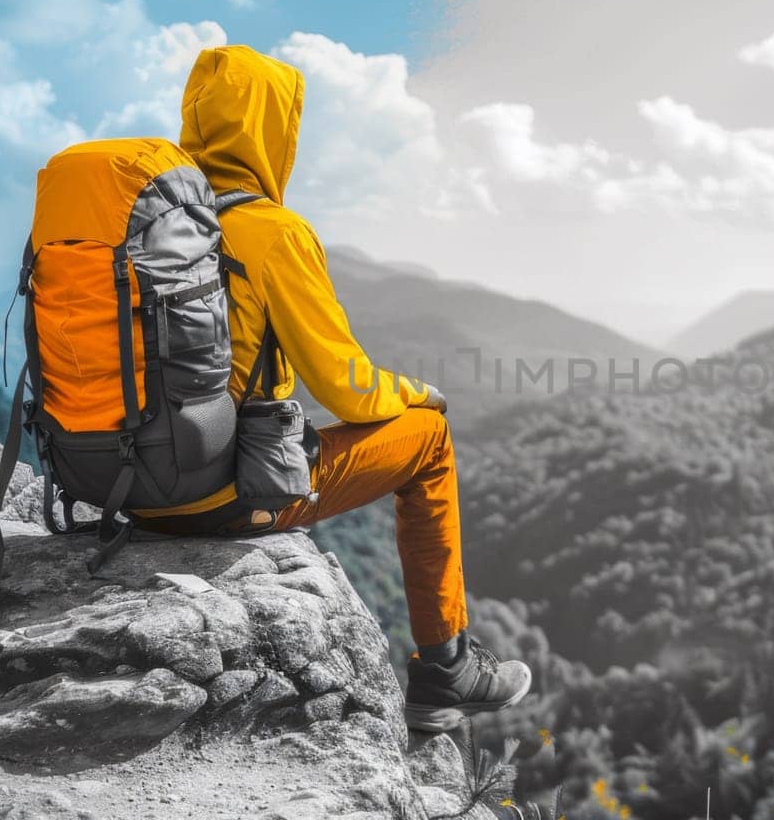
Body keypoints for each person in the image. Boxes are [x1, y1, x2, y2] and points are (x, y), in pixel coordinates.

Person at [135, 44, 530, 733]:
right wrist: (414, 391)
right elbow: (348, 388)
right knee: (429, 439)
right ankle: (447, 667)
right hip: (225, 498)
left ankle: (448, 668)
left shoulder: (145, 228)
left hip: (130, 492)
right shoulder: (272, 231)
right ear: (271, 131)